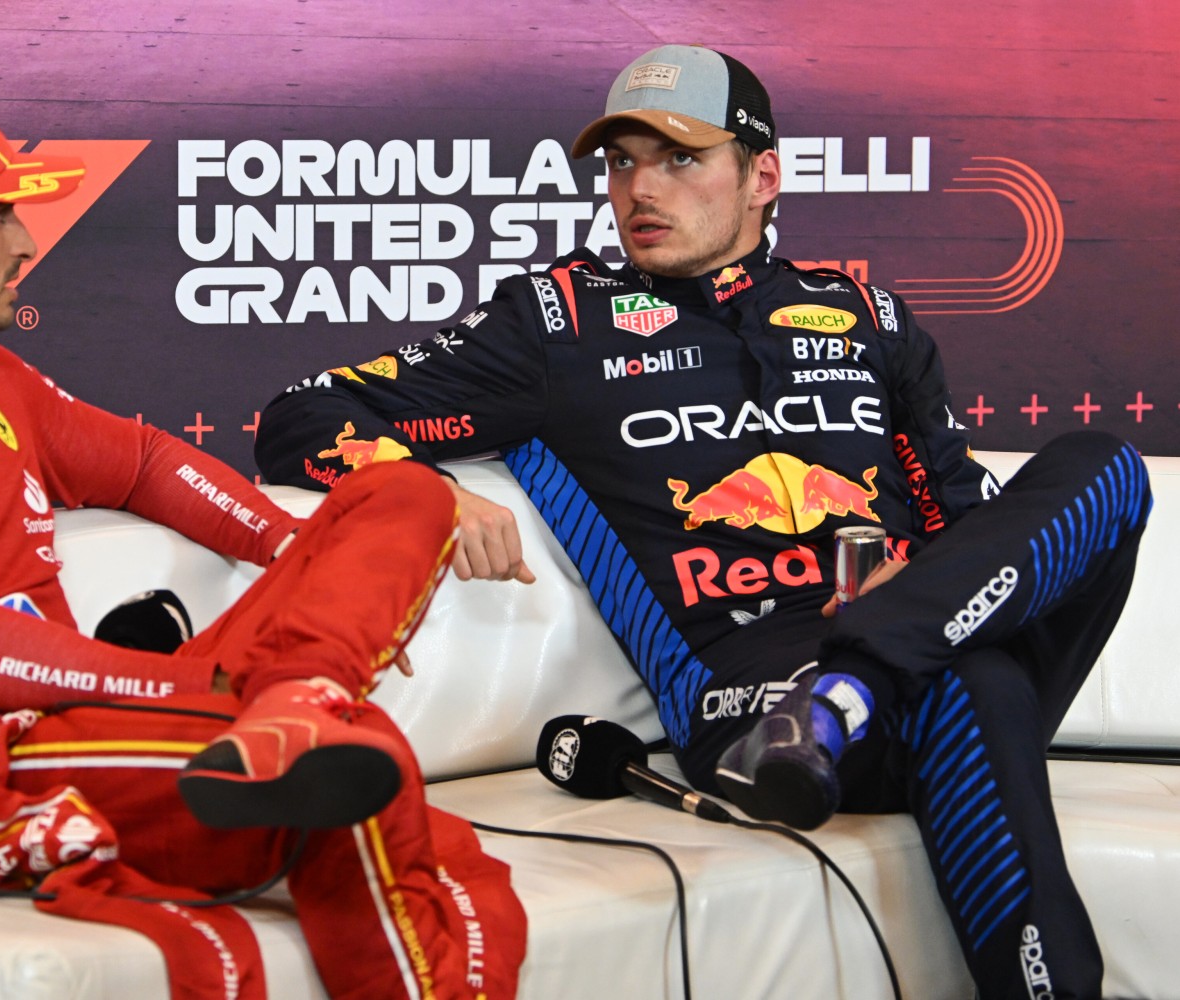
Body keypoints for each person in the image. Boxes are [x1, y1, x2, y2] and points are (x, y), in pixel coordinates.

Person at [254, 44, 1151, 1000]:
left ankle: (860, 681)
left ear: (763, 175)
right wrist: (419, 488)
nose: (640, 188)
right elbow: (303, 414)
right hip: (750, 696)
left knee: (1103, 466)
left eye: (681, 158)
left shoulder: (869, 317)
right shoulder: (557, 321)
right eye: (621, 161)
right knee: (973, 686)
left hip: (899, 652)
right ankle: (857, 692)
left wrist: (917, 593)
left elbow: (965, 522)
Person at [0, 85, 525, 1000]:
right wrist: (190, 685)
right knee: (356, 762)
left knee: (406, 490)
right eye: (0, 215)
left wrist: (311, 557)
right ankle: (298, 713)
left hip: (111, 719)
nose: (25, 243)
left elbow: (140, 463)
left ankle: (301, 696)